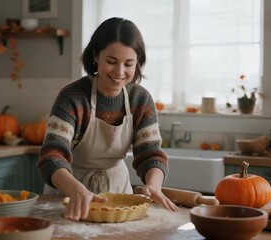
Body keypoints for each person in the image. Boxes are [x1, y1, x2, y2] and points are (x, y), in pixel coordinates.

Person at [37, 17, 178, 221]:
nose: (120, 72)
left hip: (119, 196)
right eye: (111, 62)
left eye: (129, 64)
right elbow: (52, 156)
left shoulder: (140, 99)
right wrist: (75, 190)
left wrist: (153, 185)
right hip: (68, 193)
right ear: (96, 56)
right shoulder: (73, 97)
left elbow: (150, 153)